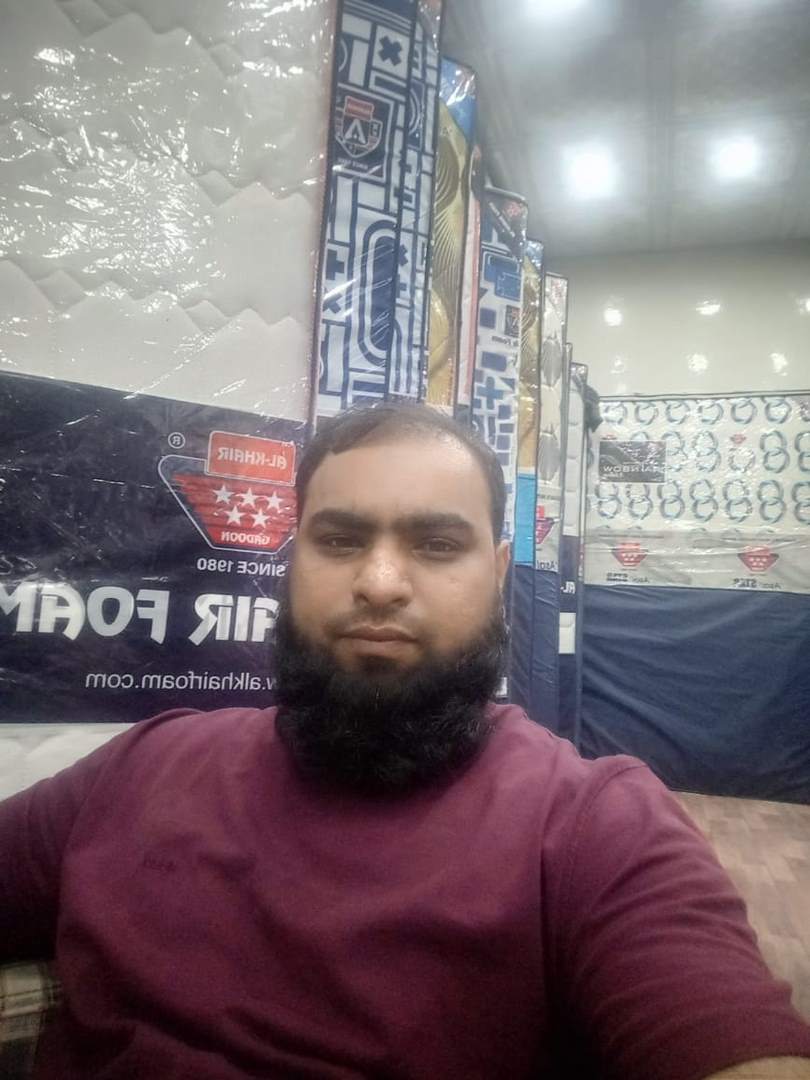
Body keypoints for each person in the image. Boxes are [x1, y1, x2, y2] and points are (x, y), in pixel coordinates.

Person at [1, 402, 810, 1080]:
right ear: (294, 560)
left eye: (436, 544)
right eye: (340, 539)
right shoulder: (146, 766)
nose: (380, 584)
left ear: (498, 573)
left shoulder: (594, 827)